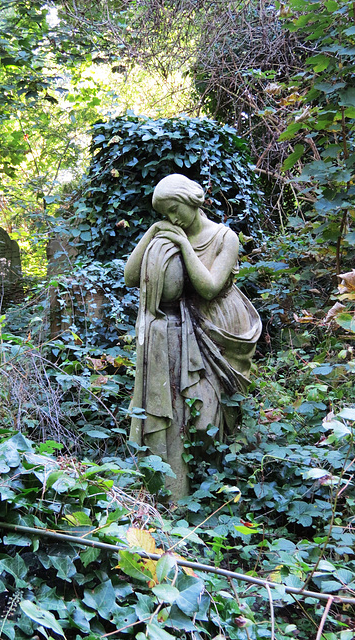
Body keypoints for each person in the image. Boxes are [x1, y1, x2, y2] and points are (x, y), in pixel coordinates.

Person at [125, 174, 262, 500]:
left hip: (222, 326)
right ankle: (187, 490)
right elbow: (131, 276)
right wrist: (152, 232)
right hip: (187, 329)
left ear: (191, 201)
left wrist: (184, 244)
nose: (172, 219)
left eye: (175, 210)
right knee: (191, 416)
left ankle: (219, 487)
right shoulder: (167, 233)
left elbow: (210, 287)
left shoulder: (224, 237)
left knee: (209, 418)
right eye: (165, 214)